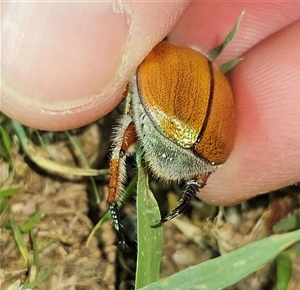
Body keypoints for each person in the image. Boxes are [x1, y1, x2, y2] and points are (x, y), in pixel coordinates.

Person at [2, 2, 300, 206]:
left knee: (121, 148)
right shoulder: (190, 60)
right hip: (201, 141)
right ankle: (181, 185)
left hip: (183, 132)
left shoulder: (157, 54)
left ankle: (113, 202)